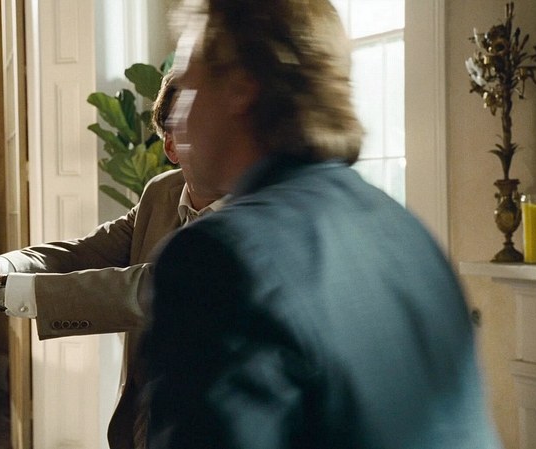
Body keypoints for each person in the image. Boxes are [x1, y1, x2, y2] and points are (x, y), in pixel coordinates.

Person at [142, 1, 502, 448]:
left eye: (187, 87)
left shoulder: (215, 258)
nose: (175, 119)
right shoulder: (411, 237)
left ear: (240, 87)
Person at [0, 73, 228, 449]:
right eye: (198, 121)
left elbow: (148, 289)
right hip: (148, 424)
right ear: (171, 146)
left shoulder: (257, 213)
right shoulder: (161, 192)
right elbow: (79, 253)